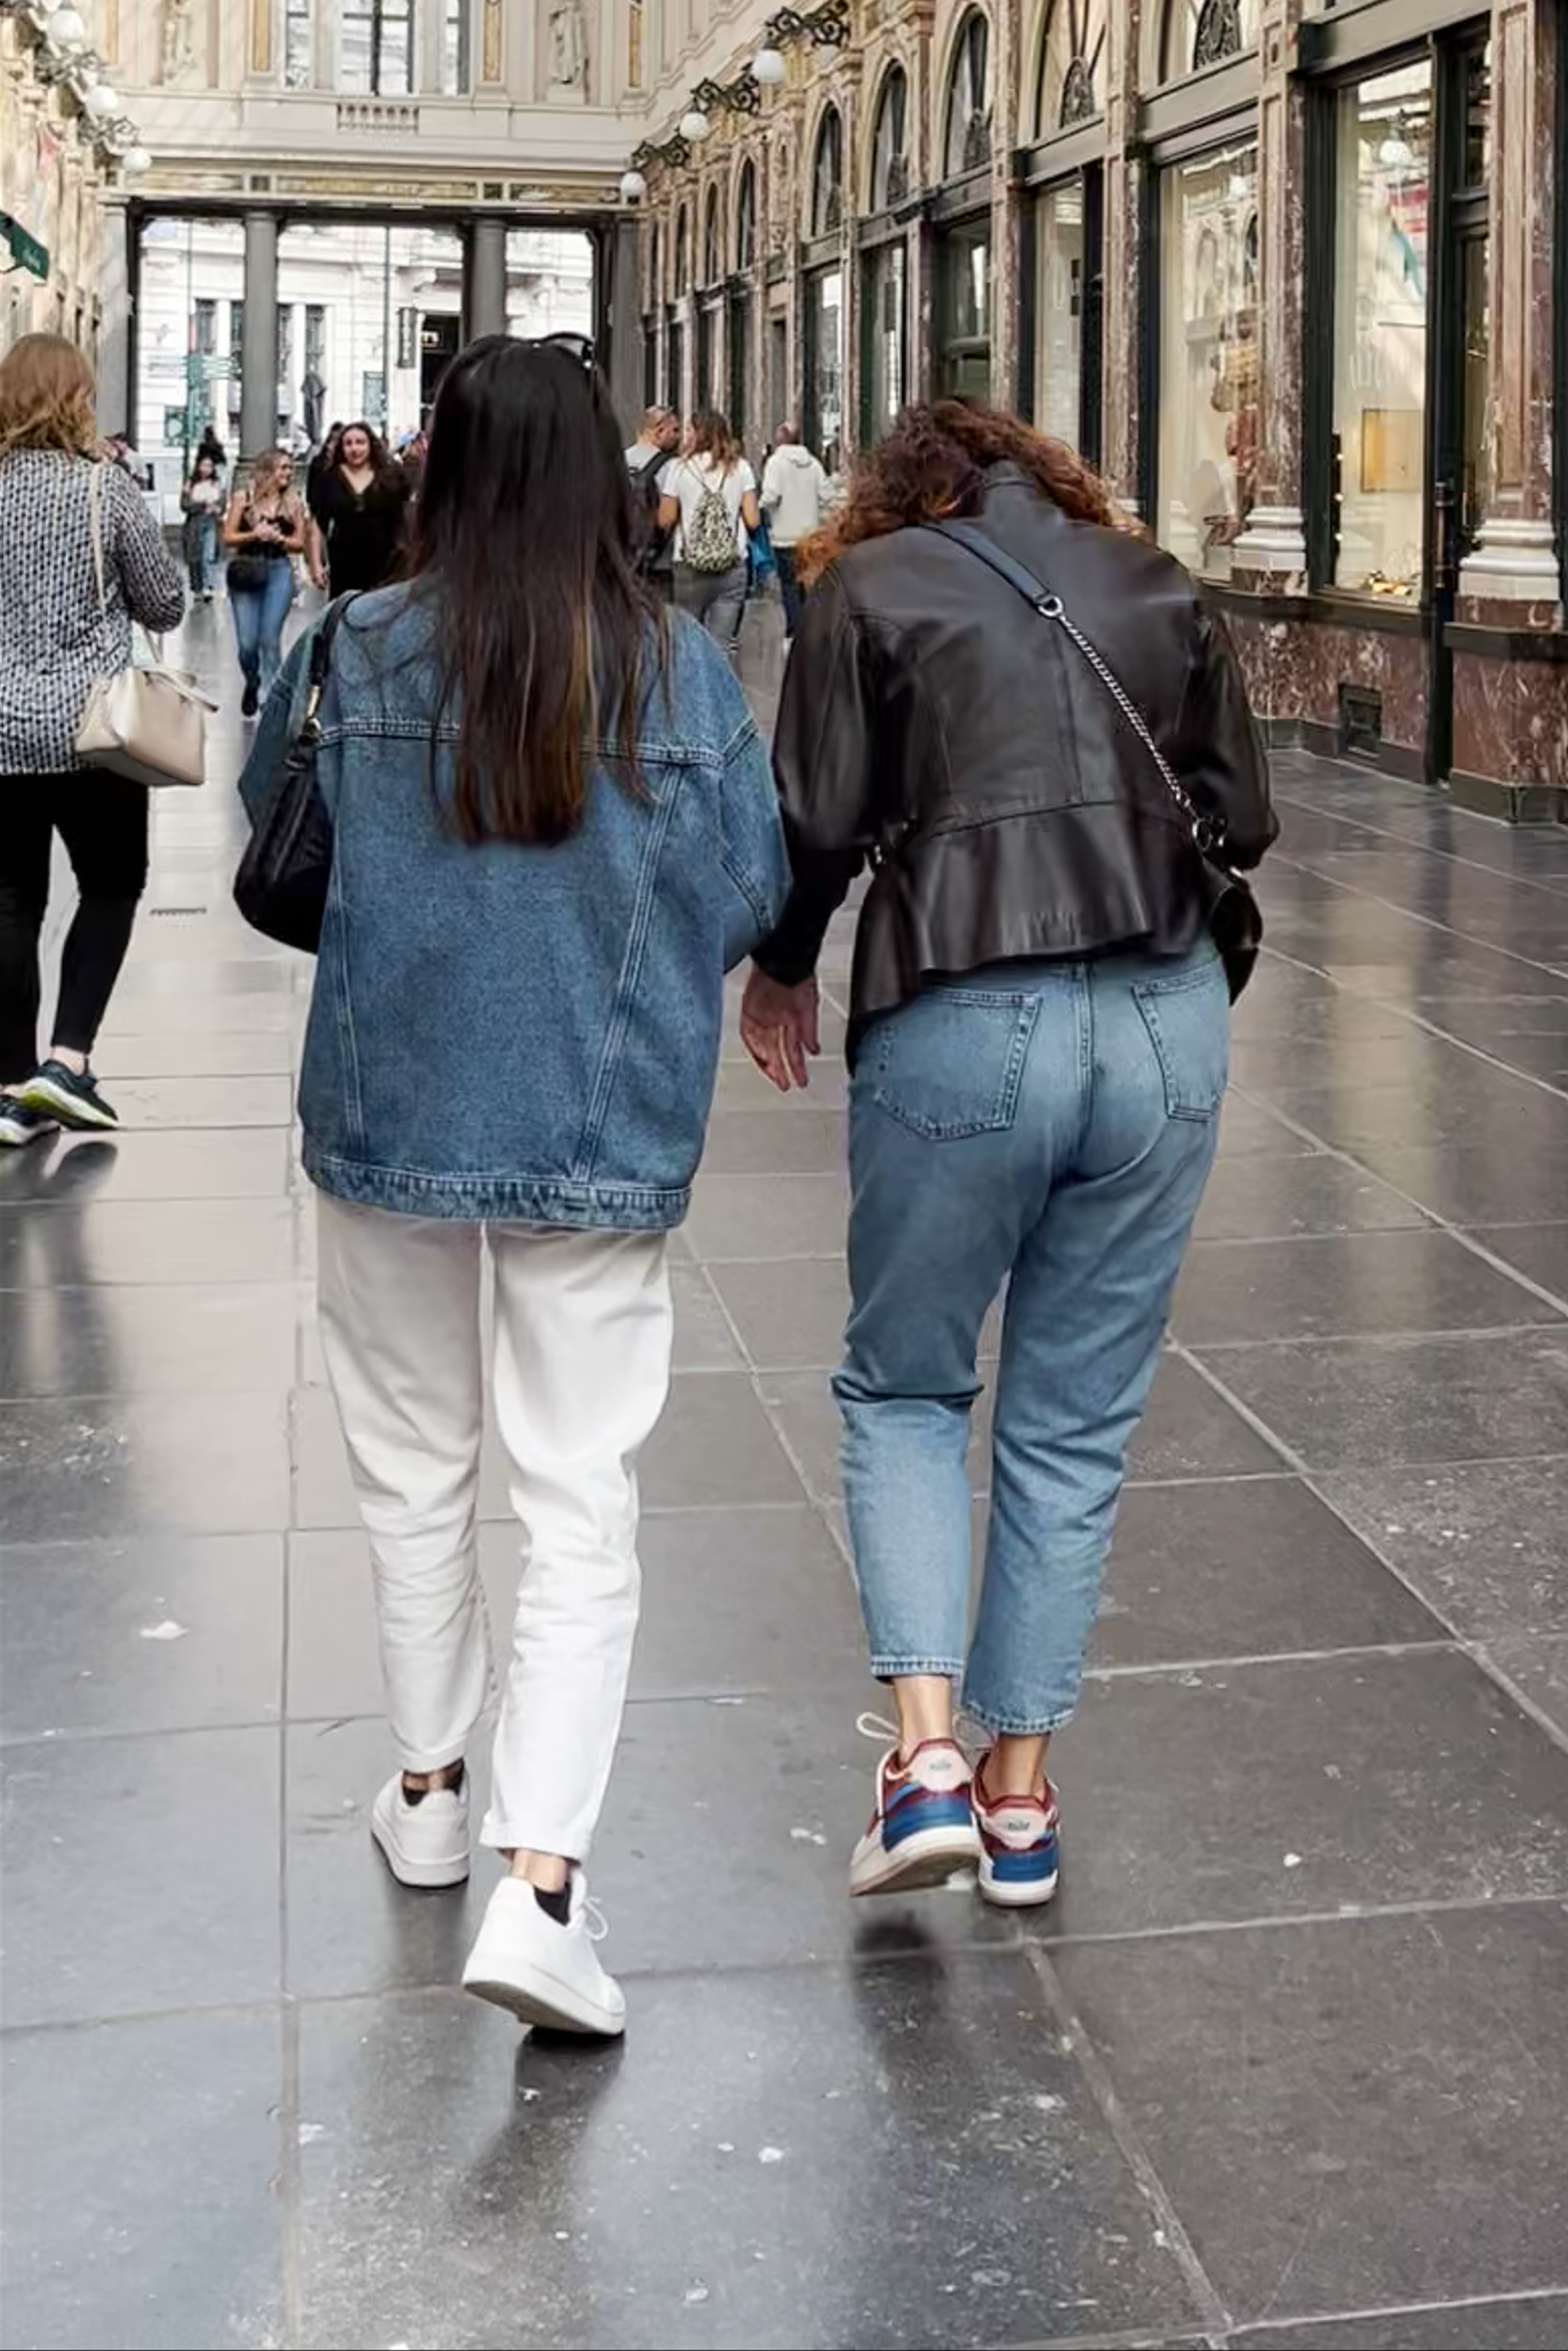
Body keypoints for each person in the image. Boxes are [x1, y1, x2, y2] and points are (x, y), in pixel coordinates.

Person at [242, 336, 787, 2037]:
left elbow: (275, 841)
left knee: (411, 1468)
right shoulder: (678, 668)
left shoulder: (355, 642)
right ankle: (539, 1883)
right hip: (594, 1124)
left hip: (387, 1103)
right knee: (579, 1499)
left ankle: (426, 1789)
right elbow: (752, 880)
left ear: (444, 467)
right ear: (599, 475)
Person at [739, 398, 1274, 1911]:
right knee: (1075, 1420)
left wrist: (783, 968)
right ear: (1045, 477)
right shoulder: (1157, 579)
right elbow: (1247, 811)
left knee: (908, 1386)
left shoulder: (867, 592)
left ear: (901, 494)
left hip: (966, 1009)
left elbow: (816, 823)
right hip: (1168, 1018)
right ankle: (1023, 1795)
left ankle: (923, 1766)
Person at [0, 334, 187, 1142]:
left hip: (1, 728)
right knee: (110, 886)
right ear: (76, 396)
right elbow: (165, 603)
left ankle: (11, 1079)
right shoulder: (102, 490)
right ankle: (67, 1061)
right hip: (96, 730)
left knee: (9, 900)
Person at [662, 409, 759, 656]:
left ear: (697, 434)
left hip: (688, 565)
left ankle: (689, 693)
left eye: (689, 430)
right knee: (721, 647)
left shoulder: (678, 468)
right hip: (732, 565)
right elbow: (753, 520)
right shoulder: (742, 468)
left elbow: (666, 519)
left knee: (687, 641)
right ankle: (716, 692)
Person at [221, 449, 307, 718]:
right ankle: (253, 680)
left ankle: (274, 703)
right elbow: (228, 537)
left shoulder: (293, 503)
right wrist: (255, 534)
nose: (288, 473)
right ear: (267, 470)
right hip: (246, 570)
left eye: (290, 468)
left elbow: (300, 544)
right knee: (247, 644)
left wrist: (280, 540)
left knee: (270, 638)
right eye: (283, 468)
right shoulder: (243, 499)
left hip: (279, 570)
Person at [307, 422, 412, 601]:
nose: (355, 449)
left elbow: (403, 517)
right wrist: (316, 564)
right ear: (342, 448)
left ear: (371, 445)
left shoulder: (390, 475)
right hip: (344, 559)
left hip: (386, 559)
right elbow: (318, 523)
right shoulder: (329, 478)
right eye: (348, 444)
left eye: (360, 442)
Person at [759, 416, 829, 638]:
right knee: (809, 586)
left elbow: (771, 496)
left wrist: (758, 507)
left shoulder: (775, 463)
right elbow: (827, 495)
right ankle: (812, 627)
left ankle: (795, 630)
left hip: (784, 537)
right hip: (810, 536)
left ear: (779, 441)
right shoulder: (815, 463)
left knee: (789, 586)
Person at [622, 404, 681, 593]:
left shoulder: (619, 460)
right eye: (675, 430)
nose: (678, 436)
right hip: (661, 559)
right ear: (659, 431)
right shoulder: (672, 467)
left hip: (624, 556)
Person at [182, 432, 228, 597]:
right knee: (195, 556)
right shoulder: (190, 483)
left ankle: (209, 585)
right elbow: (185, 505)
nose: (207, 469)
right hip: (194, 522)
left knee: (208, 555)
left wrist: (216, 508)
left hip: (211, 522)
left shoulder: (217, 484)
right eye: (204, 466)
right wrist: (202, 505)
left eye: (209, 466)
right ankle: (197, 587)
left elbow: (222, 505)